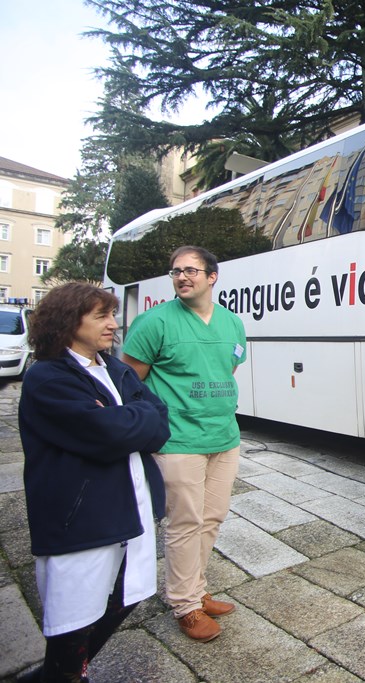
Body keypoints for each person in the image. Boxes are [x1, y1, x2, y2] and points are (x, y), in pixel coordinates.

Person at [19, 283, 170, 682]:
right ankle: (63, 673)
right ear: (69, 322)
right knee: (74, 611)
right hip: (83, 518)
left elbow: (160, 422)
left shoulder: (114, 368)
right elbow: (108, 435)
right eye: (101, 315)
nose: (114, 324)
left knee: (127, 595)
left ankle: (62, 671)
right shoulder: (47, 378)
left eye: (112, 314)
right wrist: (129, 421)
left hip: (130, 508)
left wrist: (127, 419)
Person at [122, 246, 247, 643]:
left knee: (211, 519)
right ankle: (184, 605)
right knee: (184, 522)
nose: (182, 277)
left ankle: (196, 588)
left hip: (224, 438)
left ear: (212, 277)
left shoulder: (232, 323)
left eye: (191, 270)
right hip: (178, 441)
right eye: (176, 271)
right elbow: (130, 382)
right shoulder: (154, 322)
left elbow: (229, 368)